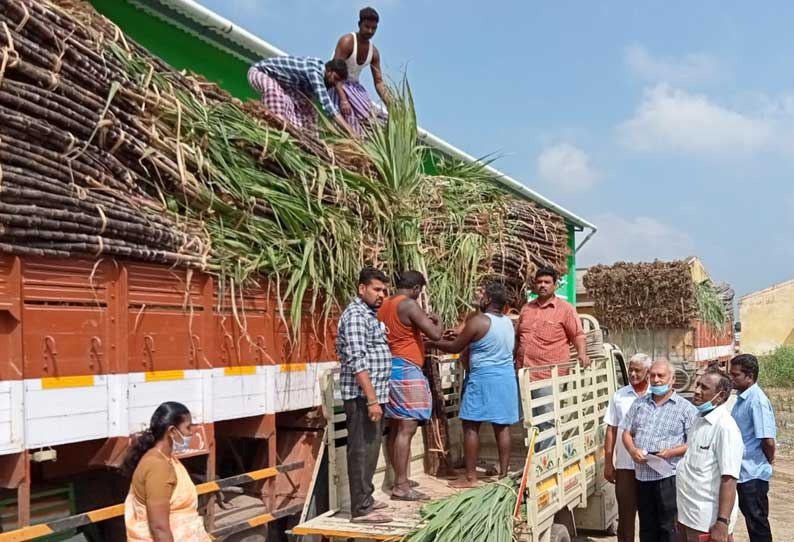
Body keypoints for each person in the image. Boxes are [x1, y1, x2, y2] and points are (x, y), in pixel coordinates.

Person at [428, 282, 519, 488]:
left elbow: (454, 346)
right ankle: (504, 474)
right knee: (502, 427)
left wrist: (432, 343)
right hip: (505, 378)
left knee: (471, 425)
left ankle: (470, 477)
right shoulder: (507, 323)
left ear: (487, 300)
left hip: (483, 378)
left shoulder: (479, 321)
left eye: (482, 294)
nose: (479, 297)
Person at [378, 271, 442, 501]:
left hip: (391, 367)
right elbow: (435, 334)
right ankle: (402, 486)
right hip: (406, 369)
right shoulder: (408, 305)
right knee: (407, 427)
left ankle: (400, 478)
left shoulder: (385, 304)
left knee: (397, 426)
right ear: (416, 288)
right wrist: (438, 320)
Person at [336, 267, 392, 524]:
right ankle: (360, 508)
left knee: (370, 449)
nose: (381, 294)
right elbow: (357, 360)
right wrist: (371, 399)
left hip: (374, 395)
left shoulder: (370, 314)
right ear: (362, 288)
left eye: (384, 290)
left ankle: (366, 498)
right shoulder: (357, 315)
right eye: (376, 289)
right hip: (361, 398)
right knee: (361, 450)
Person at [621, 359, 698, 542]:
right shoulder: (640, 404)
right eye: (652, 375)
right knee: (647, 526)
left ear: (672, 380)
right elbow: (627, 433)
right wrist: (632, 450)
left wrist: (672, 452)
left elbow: (694, 443)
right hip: (643, 476)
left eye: (661, 376)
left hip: (668, 477)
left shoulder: (685, 409)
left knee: (668, 526)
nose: (656, 380)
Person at [515, 266, 589, 450]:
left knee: (547, 421)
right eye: (539, 282)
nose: (542, 286)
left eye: (547, 282)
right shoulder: (527, 309)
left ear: (555, 285)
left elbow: (578, 335)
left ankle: (544, 465)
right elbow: (518, 338)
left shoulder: (565, 309)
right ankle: (534, 462)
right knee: (530, 422)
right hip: (523, 374)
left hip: (548, 375)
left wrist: (582, 353)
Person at [123, 402, 211, 542]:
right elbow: (159, 527)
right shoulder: (158, 466)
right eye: (187, 427)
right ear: (172, 431)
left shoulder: (168, 460)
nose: (192, 432)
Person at [676, 369, 743, 542]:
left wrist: (722, 522)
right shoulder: (699, 419)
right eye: (697, 384)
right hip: (688, 514)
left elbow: (729, 479)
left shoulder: (725, 428)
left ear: (720, 396)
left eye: (704, 387)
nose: (696, 390)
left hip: (707, 520)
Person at [603, 353, 651, 542]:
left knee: (650, 515)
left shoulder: (656, 395)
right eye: (630, 369)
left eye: (637, 370)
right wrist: (609, 463)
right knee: (625, 516)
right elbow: (611, 430)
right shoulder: (619, 396)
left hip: (651, 466)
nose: (632, 373)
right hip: (625, 466)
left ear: (647, 372)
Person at [730, 354, 776, 542]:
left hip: (753, 472)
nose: (732, 379)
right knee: (750, 520)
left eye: (736, 375)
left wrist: (769, 459)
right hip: (742, 471)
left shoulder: (757, 401)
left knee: (757, 523)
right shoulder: (742, 398)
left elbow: (767, 440)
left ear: (749, 376)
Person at [248, 56, 355, 136]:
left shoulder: (316, 77)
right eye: (335, 79)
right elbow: (327, 105)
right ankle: (276, 125)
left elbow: (310, 99)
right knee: (275, 92)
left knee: (309, 110)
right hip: (260, 73)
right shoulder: (315, 71)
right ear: (329, 71)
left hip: (283, 86)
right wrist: (350, 131)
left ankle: (307, 138)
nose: (334, 83)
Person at [330, 7, 390, 134]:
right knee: (349, 120)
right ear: (359, 24)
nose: (370, 31)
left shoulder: (373, 53)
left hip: (355, 89)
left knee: (376, 121)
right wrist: (343, 99)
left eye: (374, 28)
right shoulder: (347, 42)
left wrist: (390, 103)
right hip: (337, 85)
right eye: (367, 26)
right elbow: (334, 71)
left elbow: (379, 82)